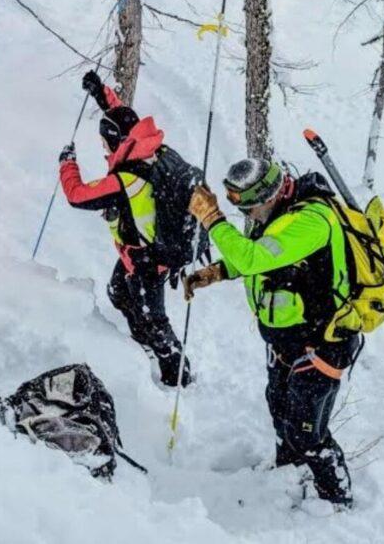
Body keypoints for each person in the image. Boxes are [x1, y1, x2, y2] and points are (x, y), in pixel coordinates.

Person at [183, 158, 360, 508]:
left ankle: (338, 499)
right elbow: (263, 257)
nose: (246, 214)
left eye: (248, 206)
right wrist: (217, 272)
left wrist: (213, 218)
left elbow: (254, 258)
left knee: (307, 433)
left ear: (269, 194)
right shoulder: (276, 215)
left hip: (324, 342)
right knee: (279, 408)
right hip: (286, 341)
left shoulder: (311, 221)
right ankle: (289, 475)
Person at [57, 71, 192, 388]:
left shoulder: (126, 179)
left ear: (116, 142)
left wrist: (67, 164)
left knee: (155, 319)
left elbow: (78, 196)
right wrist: (100, 92)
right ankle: (141, 342)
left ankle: (179, 377)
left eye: (105, 143)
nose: (103, 148)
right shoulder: (149, 147)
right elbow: (122, 117)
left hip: (148, 259)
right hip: (137, 254)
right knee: (118, 292)